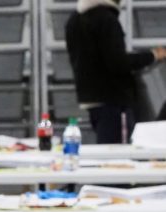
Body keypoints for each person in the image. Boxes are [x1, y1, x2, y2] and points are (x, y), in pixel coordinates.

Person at [66, 0, 166, 143]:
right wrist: (153, 55)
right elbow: (118, 62)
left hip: (91, 98)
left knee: (107, 152)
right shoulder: (106, 20)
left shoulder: (74, 19)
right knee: (120, 152)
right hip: (113, 100)